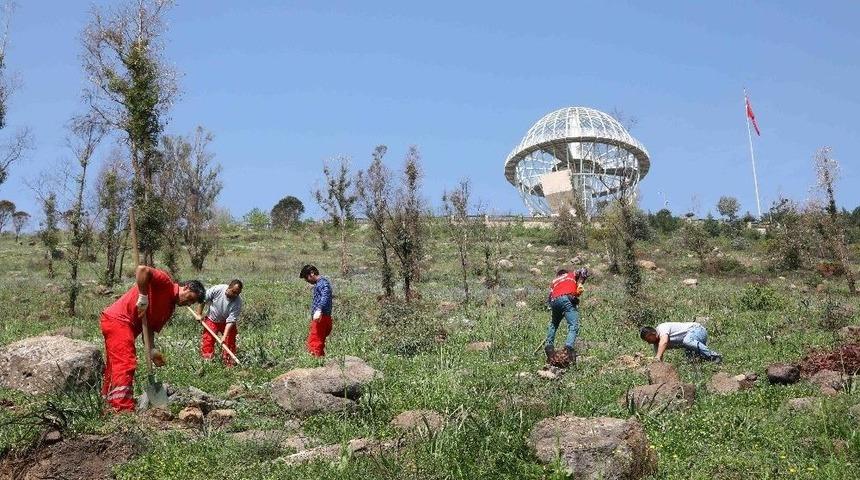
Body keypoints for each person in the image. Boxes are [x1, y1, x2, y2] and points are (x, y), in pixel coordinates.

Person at [100, 266, 205, 412]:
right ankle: (122, 409)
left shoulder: (169, 309)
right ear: (186, 287)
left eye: (191, 303)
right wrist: (143, 296)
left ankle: (108, 402)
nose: (187, 304)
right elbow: (142, 270)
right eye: (190, 299)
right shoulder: (165, 283)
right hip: (119, 320)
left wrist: (152, 351)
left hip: (124, 325)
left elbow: (149, 329)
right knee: (125, 362)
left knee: (114, 364)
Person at [196, 279, 243, 366]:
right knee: (208, 340)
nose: (235, 295)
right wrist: (199, 314)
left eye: (237, 293)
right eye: (233, 292)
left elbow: (231, 321)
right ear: (229, 287)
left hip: (227, 322)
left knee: (230, 341)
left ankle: (229, 362)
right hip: (212, 319)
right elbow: (203, 299)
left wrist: (224, 336)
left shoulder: (238, 302)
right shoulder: (218, 289)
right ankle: (207, 361)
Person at [544, 268, 586, 363]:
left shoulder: (554, 281)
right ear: (565, 273)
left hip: (555, 301)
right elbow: (584, 271)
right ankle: (568, 349)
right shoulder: (571, 274)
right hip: (566, 299)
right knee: (573, 325)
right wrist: (580, 283)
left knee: (554, 324)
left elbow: (550, 298)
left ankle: (549, 347)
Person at [639, 322, 723, 363]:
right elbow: (659, 360)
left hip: (698, 330)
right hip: (690, 344)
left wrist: (657, 357)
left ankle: (714, 355)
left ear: (653, 334)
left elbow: (664, 342)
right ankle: (712, 361)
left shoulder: (661, 328)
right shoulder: (657, 344)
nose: (649, 343)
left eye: (648, 339)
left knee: (687, 341)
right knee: (692, 362)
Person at [300, 264, 333, 357]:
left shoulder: (323, 283)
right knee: (319, 341)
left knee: (314, 341)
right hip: (324, 317)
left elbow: (325, 295)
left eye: (307, 278)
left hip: (321, 318)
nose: (307, 281)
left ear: (312, 273)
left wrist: (319, 309)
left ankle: (314, 363)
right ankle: (320, 361)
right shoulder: (321, 283)